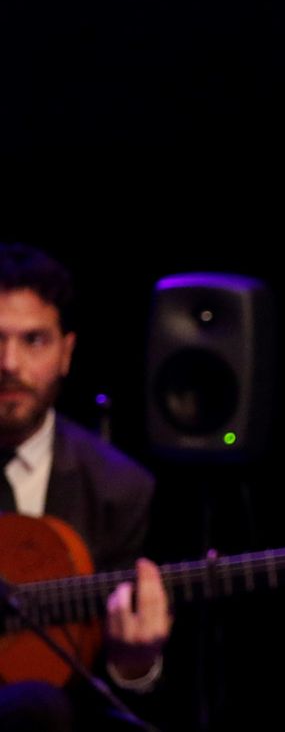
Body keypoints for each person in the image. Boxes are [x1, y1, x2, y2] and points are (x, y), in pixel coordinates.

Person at [0, 243, 172, 730]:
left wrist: (134, 663)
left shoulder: (121, 489)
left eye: (34, 340)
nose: (9, 363)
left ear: (66, 353)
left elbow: (133, 696)